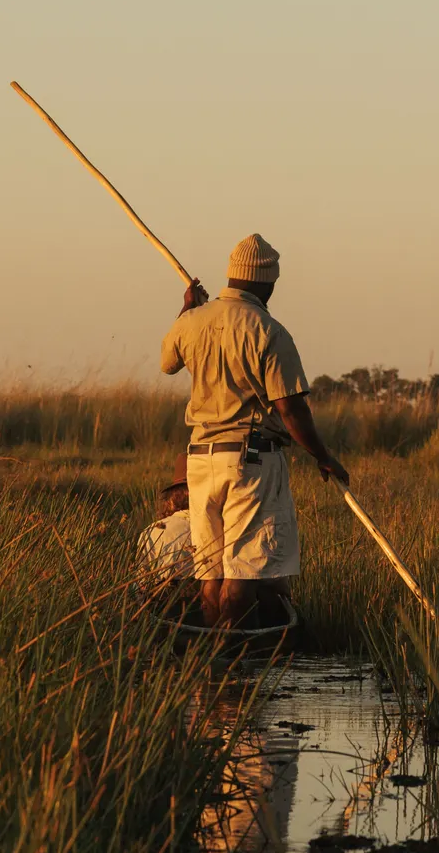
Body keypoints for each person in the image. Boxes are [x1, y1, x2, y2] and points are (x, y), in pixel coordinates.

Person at [160, 233, 348, 629]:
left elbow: (167, 363)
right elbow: (291, 409)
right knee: (241, 572)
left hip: (199, 462)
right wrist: (323, 456)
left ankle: (212, 662)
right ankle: (236, 664)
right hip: (249, 461)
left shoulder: (193, 321)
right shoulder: (269, 331)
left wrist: (186, 310)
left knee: (209, 571)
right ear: (268, 283)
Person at [137, 453, 200, 612]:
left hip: (161, 613)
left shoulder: (150, 531)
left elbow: (140, 588)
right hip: (205, 613)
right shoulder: (221, 529)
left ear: (172, 498)